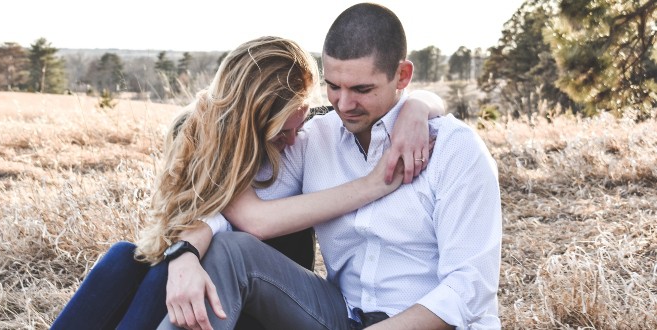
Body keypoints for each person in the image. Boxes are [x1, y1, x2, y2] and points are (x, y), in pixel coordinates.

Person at [51, 35, 441, 329]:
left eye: (300, 119)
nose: (294, 140)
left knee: (164, 275)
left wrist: (418, 106)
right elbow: (238, 218)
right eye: (278, 133)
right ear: (248, 122)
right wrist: (183, 254)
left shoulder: (307, 126)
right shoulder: (205, 137)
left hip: (269, 288)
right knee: (125, 258)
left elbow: (396, 98)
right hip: (221, 276)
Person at [158, 3, 502, 330]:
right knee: (232, 253)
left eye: (362, 89)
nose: (344, 104)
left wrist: (421, 106)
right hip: (340, 314)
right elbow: (235, 207)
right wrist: (185, 252)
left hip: (423, 323)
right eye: (333, 87)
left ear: (402, 75)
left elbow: (468, 287)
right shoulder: (314, 139)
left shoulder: (454, 149)